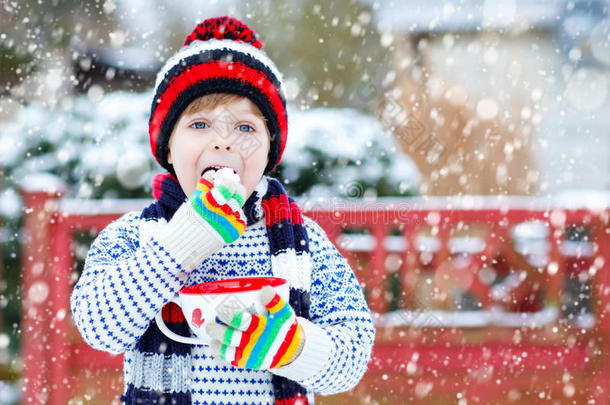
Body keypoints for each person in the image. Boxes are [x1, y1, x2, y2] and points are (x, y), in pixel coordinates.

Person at [70, 16, 375, 405]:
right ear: (167, 147)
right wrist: (181, 244)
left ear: (269, 153)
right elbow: (99, 326)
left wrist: (294, 347)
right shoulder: (136, 235)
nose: (223, 142)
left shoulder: (301, 242)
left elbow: (353, 348)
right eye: (200, 124)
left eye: (246, 128)